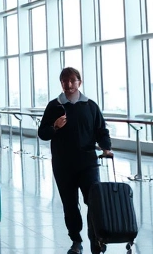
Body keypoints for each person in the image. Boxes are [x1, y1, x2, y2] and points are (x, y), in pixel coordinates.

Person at [38, 67, 114, 254]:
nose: (69, 84)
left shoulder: (90, 106)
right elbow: (43, 133)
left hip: (88, 163)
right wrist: (55, 127)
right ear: (61, 83)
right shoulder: (54, 107)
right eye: (65, 81)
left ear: (79, 82)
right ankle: (76, 240)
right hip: (63, 165)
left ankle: (95, 238)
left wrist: (106, 147)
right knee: (70, 204)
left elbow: (101, 130)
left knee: (93, 201)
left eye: (72, 80)